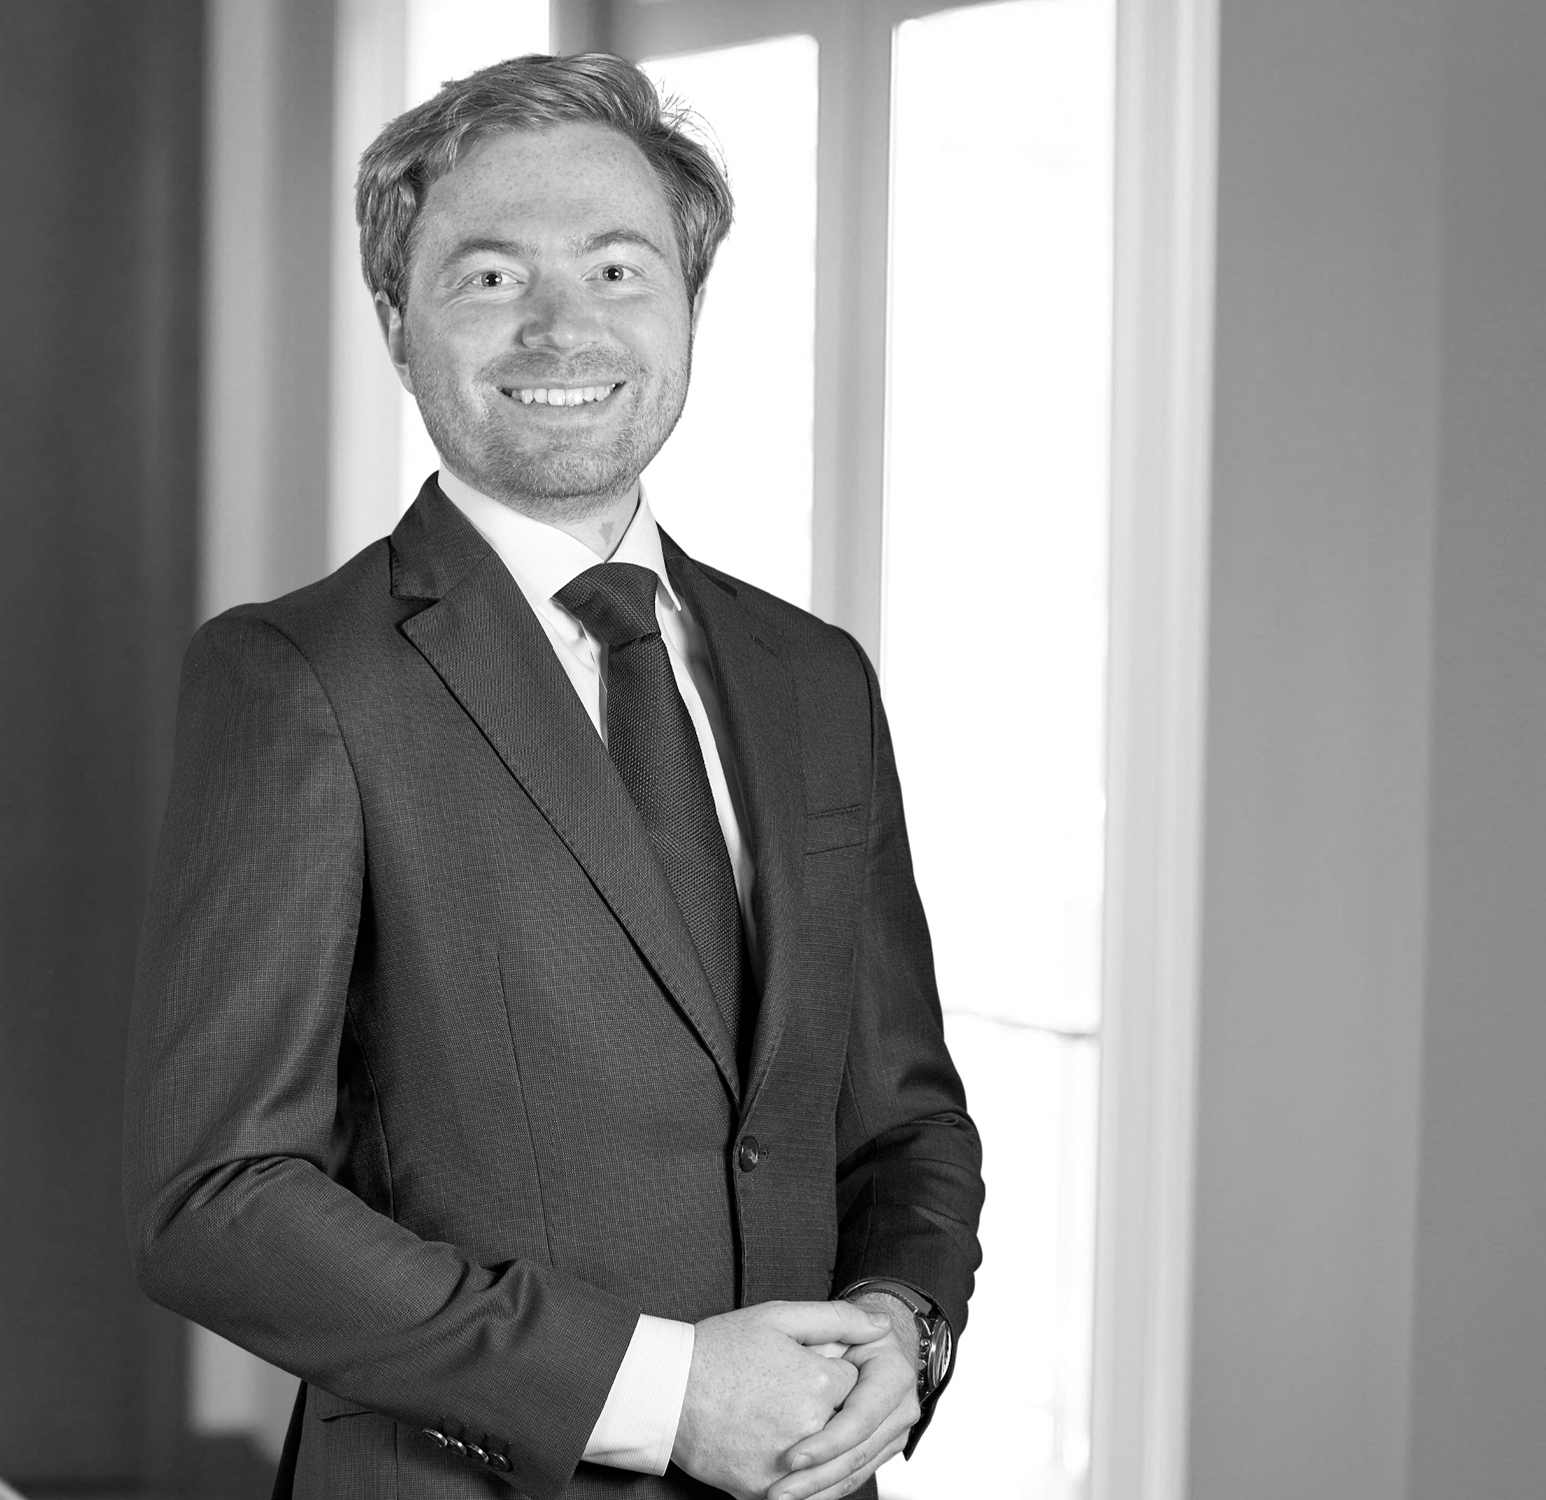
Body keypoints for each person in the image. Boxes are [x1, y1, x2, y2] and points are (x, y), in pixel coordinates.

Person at [123, 53, 984, 1500]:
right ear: (396, 323)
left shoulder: (815, 677)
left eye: (618, 268)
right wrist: (662, 1394)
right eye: (489, 276)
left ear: (689, 305)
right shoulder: (297, 676)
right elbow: (216, 1201)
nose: (562, 325)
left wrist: (905, 1323)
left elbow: (903, 1120)